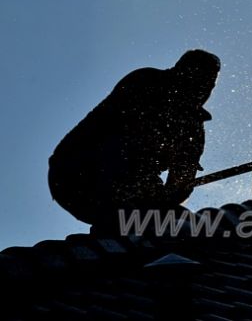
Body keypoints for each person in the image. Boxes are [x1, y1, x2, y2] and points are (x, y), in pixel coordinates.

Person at [48, 49, 220, 226]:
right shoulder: (146, 82)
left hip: (128, 191)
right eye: (198, 80)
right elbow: (121, 139)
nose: (203, 89)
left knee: (181, 224)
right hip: (75, 175)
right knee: (158, 216)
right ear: (180, 71)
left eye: (209, 85)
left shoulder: (193, 130)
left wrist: (174, 190)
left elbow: (178, 186)